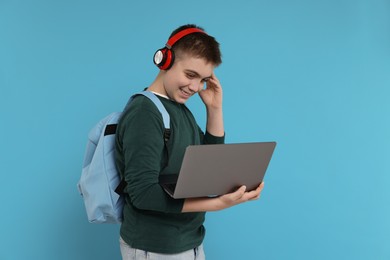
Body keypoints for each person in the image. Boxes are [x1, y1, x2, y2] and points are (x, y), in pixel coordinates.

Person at [115, 24, 265, 260]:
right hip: (155, 247)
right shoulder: (145, 113)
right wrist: (215, 204)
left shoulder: (180, 110)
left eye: (203, 79)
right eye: (190, 75)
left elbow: (208, 168)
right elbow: (142, 194)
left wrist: (215, 108)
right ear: (165, 61)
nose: (195, 87)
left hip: (189, 241)